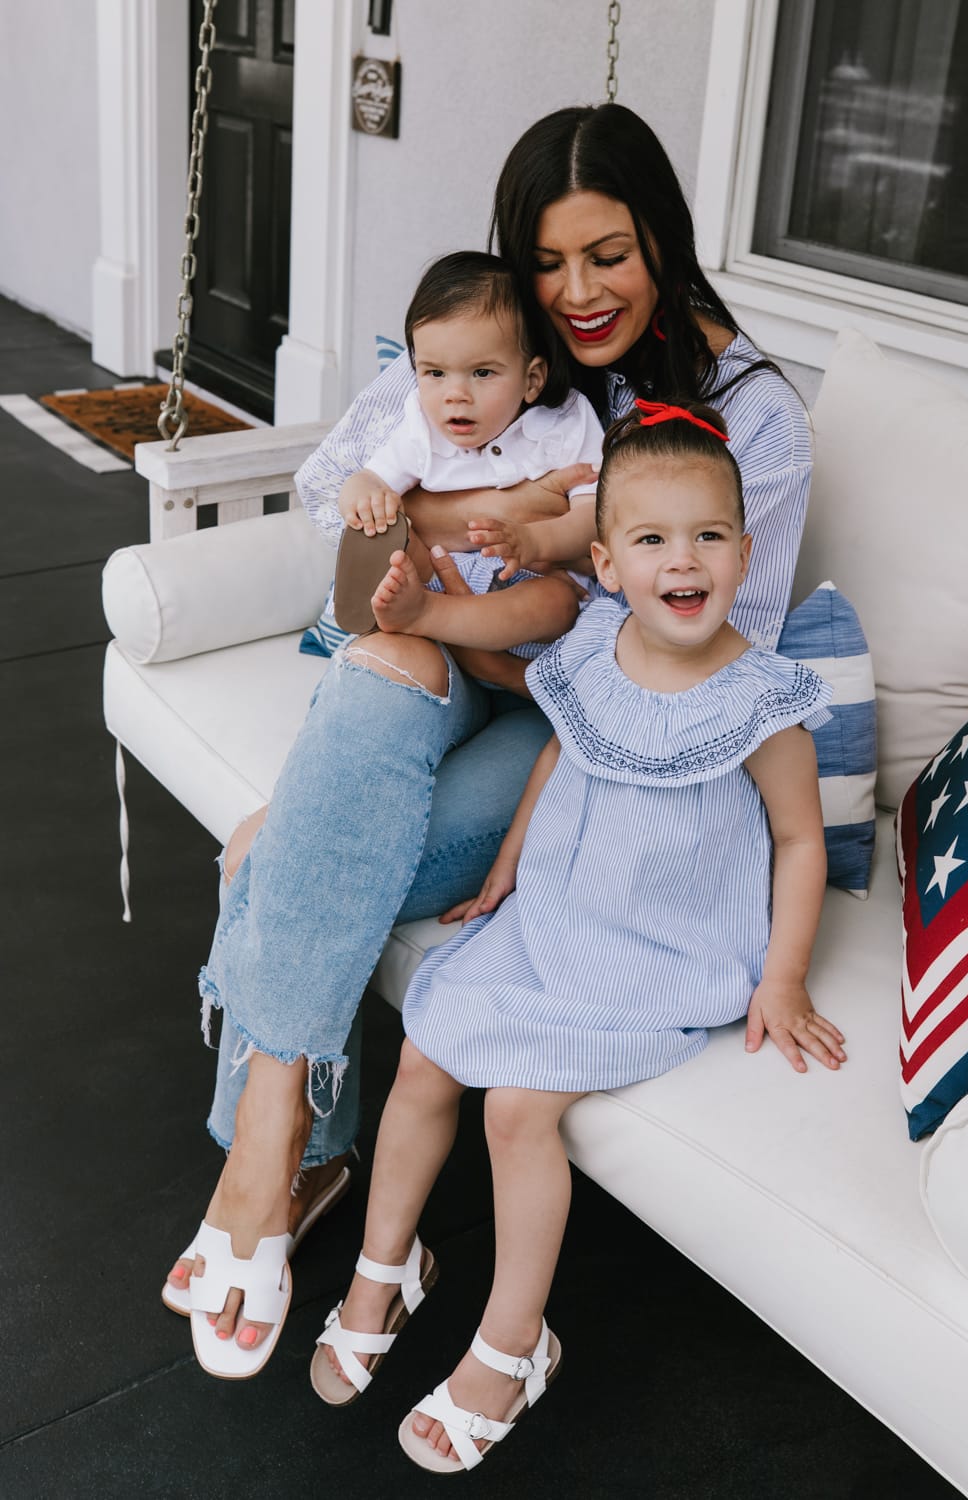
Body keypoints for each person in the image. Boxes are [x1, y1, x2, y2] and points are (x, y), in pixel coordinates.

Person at [163, 102, 815, 1376]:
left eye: (610, 255)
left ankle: (286, 1170)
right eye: (550, 262)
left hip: (588, 722)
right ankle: (269, 1157)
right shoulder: (506, 343)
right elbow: (334, 493)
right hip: (460, 645)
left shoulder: (755, 418)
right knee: (379, 665)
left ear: (666, 244)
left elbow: (709, 645)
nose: (577, 294)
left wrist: (536, 571)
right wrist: (495, 509)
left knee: (281, 858)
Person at [313, 403, 844, 1471]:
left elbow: (799, 841)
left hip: (660, 951)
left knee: (515, 1108)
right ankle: (385, 1265)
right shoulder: (596, 641)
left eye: (707, 537)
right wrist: (509, 865)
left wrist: (782, 979)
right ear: (607, 560)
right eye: (651, 540)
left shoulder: (761, 701)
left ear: (743, 552)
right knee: (425, 1051)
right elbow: (564, 756)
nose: (681, 561)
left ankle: (514, 1342)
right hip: (556, 912)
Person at [338, 249, 604, 614]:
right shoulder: (421, 426)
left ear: (532, 380)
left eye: (482, 373)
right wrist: (362, 495)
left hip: (527, 584)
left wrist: (532, 540)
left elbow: (593, 518)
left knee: (556, 602)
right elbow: (371, 479)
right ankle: (404, 618)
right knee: (388, 535)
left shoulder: (564, 422)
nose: (455, 396)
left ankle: (444, 632)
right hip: (437, 582)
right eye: (435, 373)